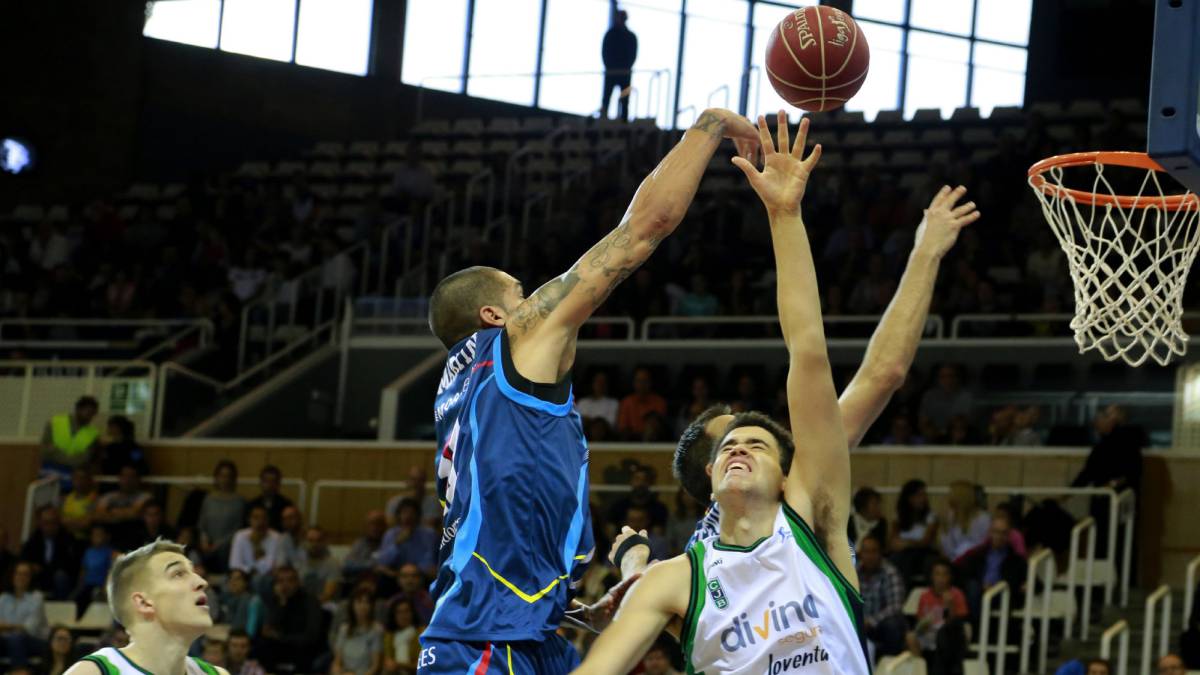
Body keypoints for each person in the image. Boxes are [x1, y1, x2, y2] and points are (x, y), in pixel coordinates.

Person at [421, 106, 758, 673]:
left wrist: (568, 611)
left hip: (523, 629)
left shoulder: (461, 391)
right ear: (493, 316)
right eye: (521, 293)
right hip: (484, 640)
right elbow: (644, 227)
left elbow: (502, 512)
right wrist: (711, 126)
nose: (536, 299)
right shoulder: (517, 339)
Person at [571, 113, 871, 674]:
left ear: (787, 478)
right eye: (730, 445)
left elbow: (808, 351)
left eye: (757, 445)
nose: (739, 448)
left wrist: (784, 215)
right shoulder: (674, 581)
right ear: (708, 479)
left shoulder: (813, 523)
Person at [62, 539, 229, 675]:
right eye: (178, 573)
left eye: (194, 573)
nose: (202, 582)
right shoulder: (95, 671)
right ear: (143, 602)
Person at [956, 513, 1028, 618]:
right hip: (979, 591)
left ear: (1009, 535)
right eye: (996, 532)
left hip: (1001, 594)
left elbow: (1036, 583)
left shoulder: (1016, 560)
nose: (999, 536)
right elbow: (962, 574)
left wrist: (1026, 584)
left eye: (1003, 533)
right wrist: (982, 585)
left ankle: (975, 625)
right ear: (990, 532)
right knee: (972, 587)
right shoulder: (978, 554)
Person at [255, 565, 323, 673]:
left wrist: (281, 637)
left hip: (301, 647)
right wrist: (282, 603)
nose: (285, 585)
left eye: (290, 581)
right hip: (279, 645)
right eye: (281, 581)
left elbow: (311, 636)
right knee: (259, 644)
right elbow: (268, 628)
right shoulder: (277, 599)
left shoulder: (309, 601)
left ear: (298, 583)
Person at [907, 559, 969, 674]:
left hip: (949, 635)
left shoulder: (957, 595)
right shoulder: (925, 596)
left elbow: (955, 623)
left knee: (944, 635)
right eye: (937, 574)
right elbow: (919, 623)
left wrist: (948, 606)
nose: (941, 578)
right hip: (929, 633)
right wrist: (924, 623)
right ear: (932, 576)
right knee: (910, 637)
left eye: (945, 574)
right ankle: (920, 670)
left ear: (950, 577)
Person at [857, 534, 907, 659]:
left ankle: (889, 664)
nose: (870, 556)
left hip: (880, 624)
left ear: (881, 553)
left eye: (874, 551)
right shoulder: (853, 571)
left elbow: (895, 606)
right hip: (858, 622)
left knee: (893, 625)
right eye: (866, 552)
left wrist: (870, 621)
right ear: (860, 554)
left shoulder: (890, 572)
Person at [20, 505, 81, 600]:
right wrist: (31, 566)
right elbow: (24, 559)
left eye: (54, 522)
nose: (50, 526)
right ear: (40, 523)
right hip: (39, 578)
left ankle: (60, 604)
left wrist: (45, 568)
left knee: (60, 576)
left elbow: (71, 565)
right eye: (46, 523)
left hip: (59, 579)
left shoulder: (68, 539)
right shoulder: (33, 540)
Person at [197, 460, 246, 572]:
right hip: (207, 549)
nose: (225, 480)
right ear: (216, 477)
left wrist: (219, 545)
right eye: (222, 476)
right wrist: (204, 540)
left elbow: (238, 529)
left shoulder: (239, 502)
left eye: (229, 476)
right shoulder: (208, 499)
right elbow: (202, 524)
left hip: (229, 550)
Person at [40, 396, 100, 483]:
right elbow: (45, 450)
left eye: (93, 414)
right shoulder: (55, 422)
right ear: (78, 409)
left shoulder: (93, 434)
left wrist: (57, 454)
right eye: (88, 412)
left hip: (72, 476)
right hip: (49, 471)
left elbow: (84, 458)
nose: (90, 417)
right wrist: (71, 459)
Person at [890, 479, 939, 585]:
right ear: (909, 498)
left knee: (912, 559)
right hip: (904, 553)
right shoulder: (899, 517)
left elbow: (925, 541)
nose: (923, 499)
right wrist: (905, 544)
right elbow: (893, 541)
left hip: (923, 552)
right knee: (896, 558)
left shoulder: (930, 516)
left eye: (924, 495)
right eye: (919, 495)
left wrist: (907, 543)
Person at [0, 562, 48, 668]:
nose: (21, 577)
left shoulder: (37, 597)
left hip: (36, 641)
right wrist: (12, 627)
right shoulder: (4, 598)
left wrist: (6, 627)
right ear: (12, 576)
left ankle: (20, 672)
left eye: (25, 574)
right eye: (18, 573)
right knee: (13, 639)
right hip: (7, 640)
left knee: (16, 638)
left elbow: (28, 628)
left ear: (31, 578)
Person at [93, 465, 152, 551]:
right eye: (124, 476)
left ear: (137, 479)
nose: (128, 480)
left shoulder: (145, 496)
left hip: (135, 538)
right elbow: (99, 514)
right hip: (111, 538)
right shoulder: (109, 496)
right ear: (119, 478)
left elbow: (135, 513)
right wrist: (125, 513)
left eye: (131, 476)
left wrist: (111, 512)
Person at [376, 499, 436, 581]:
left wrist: (414, 572)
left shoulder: (429, 534)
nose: (408, 516)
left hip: (420, 574)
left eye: (412, 513)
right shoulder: (391, 534)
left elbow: (430, 559)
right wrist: (397, 543)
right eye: (404, 512)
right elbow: (383, 561)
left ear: (418, 515)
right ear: (398, 515)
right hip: (397, 574)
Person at [332, 590, 383, 675]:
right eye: (359, 602)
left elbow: (375, 666)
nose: (363, 606)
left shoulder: (376, 630)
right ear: (352, 605)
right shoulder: (344, 629)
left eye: (366, 602)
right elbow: (337, 662)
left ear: (371, 606)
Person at [918, 365, 973, 442]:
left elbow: (965, 421)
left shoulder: (966, 396)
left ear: (957, 378)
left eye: (951, 376)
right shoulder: (929, 396)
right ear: (938, 379)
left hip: (958, 436)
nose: (947, 379)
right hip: (934, 436)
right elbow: (923, 420)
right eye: (943, 376)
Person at [227, 505, 283, 581]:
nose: (260, 522)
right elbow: (234, 564)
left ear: (268, 520)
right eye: (256, 518)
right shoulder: (240, 536)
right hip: (244, 577)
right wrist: (250, 571)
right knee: (235, 577)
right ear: (249, 520)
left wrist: (257, 547)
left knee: (258, 579)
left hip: (268, 578)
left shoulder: (276, 538)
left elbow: (269, 567)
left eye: (264, 518)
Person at [939, 480, 990, 561]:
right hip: (953, 560)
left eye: (951, 494)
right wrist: (944, 526)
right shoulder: (949, 516)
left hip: (974, 560)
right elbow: (946, 548)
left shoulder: (982, 518)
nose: (948, 497)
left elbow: (983, 545)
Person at [600, 10, 637, 121]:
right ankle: (603, 118)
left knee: (625, 100)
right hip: (612, 72)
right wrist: (610, 67)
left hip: (624, 73)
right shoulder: (610, 35)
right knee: (607, 98)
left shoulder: (630, 36)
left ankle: (624, 120)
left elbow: (632, 55)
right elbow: (605, 53)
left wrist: (625, 68)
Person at [72, 525, 114, 619]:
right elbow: (83, 570)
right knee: (78, 598)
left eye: (100, 535)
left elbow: (110, 570)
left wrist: (105, 587)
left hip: (100, 586)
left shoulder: (109, 552)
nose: (97, 538)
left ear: (106, 537)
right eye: (94, 535)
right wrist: (79, 586)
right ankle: (78, 621)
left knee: (95, 596)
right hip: (88, 585)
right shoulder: (88, 552)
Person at [617, 367, 668, 439]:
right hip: (632, 441)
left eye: (645, 381)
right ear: (633, 383)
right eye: (639, 381)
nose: (642, 384)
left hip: (654, 441)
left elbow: (660, 428)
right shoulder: (626, 402)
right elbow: (622, 428)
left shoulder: (659, 402)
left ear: (650, 383)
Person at [296, 526, 341, 605]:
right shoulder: (299, 563)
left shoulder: (333, 564)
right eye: (310, 540)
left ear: (324, 542)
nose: (314, 544)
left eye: (318, 540)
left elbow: (327, 595)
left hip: (325, 606)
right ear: (304, 542)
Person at [244, 466, 293, 531]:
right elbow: (246, 528)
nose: (270, 485)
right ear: (261, 483)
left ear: (278, 484)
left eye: (273, 481)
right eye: (266, 481)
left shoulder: (286, 505)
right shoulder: (252, 505)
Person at [217, 569, 262, 637]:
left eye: (237, 579)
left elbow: (247, 630)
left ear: (246, 583)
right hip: (227, 634)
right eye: (230, 579)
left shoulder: (251, 600)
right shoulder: (226, 598)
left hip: (242, 637)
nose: (233, 582)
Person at [345, 510, 387, 578]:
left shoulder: (388, 542)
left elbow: (388, 565)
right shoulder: (360, 543)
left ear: (384, 526)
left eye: (378, 524)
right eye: (371, 524)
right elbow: (348, 564)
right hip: (360, 579)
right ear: (366, 526)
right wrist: (372, 565)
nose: (374, 528)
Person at [383, 598, 421, 675]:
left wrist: (399, 665)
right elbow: (388, 662)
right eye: (399, 612)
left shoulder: (421, 633)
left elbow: (421, 664)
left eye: (406, 611)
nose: (403, 616)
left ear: (412, 613)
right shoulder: (389, 636)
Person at [61, 467, 100, 541]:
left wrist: (68, 521)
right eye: (76, 478)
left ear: (88, 480)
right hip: (65, 537)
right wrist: (77, 521)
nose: (78, 481)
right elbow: (59, 519)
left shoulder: (93, 499)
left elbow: (85, 524)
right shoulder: (67, 497)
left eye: (82, 478)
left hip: (83, 540)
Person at [848, 487, 888, 553]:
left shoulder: (881, 523)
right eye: (875, 504)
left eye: (879, 504)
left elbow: (881, 547)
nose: (879, 507)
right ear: (863, 506)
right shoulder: (849, 522)